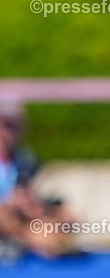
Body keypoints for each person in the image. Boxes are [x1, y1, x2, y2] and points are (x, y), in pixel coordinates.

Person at [0, 99, 80, 259]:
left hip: (21, 215)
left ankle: (37, 241)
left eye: (15, 126)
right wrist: (9, 202)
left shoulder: (26, 159)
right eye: (6, 124)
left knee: (66, 215)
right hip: (6, 215)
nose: (10, 132)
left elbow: (34, 191)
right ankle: (36, 241)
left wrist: (34, 204)